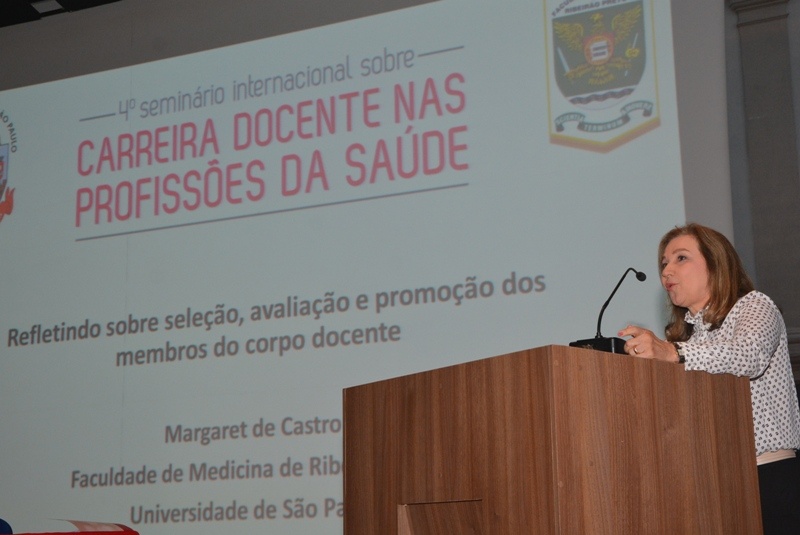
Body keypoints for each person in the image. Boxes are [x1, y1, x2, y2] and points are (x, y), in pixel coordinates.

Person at [618, 223, 800, 535]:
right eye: (664, 263)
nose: (666, 271)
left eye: (681, 258)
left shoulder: (754, 305)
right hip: (708, 481)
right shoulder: (685, 336)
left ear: (716, 265)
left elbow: (749, 356)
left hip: (765, 475)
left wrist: (674, 353)